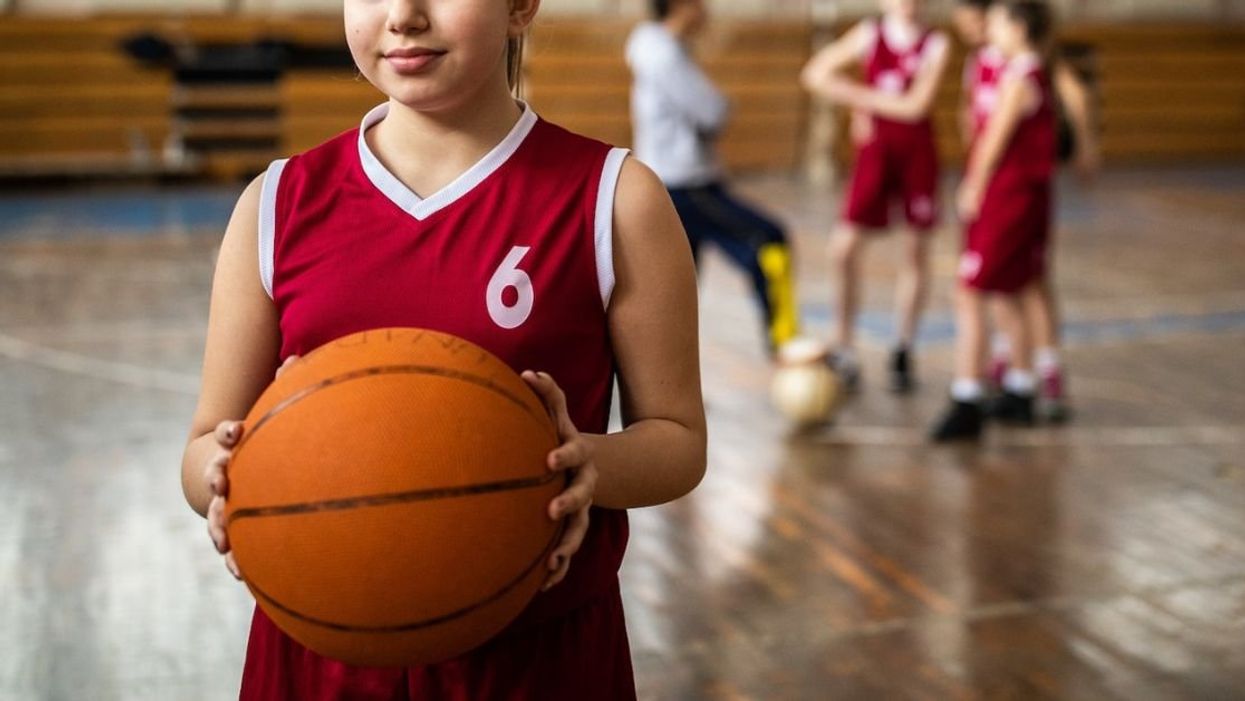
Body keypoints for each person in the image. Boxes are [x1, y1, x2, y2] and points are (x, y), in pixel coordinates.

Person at [180, 0, 707, 698]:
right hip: (320, 651)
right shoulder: (275, 204)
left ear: (520, 7)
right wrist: (226, 476)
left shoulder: (614, 199)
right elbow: (200, 447)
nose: (402, 15)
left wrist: (585, 464)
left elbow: (676, 441)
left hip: (534, 657)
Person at [953, 0, 1100, 422]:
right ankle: (1019, 373)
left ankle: (1030, 373)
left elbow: (998, 136)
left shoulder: (1024, 71)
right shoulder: (986, 62)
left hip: (1013, 193)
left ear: (1012, 25)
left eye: (984, 19)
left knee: (1010, 285)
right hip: (1012, 189)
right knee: (1013, 285)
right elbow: (977, 122)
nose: (972, 26)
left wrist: (1085, 143)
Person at [626, 0, 800, 355]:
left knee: (680, 288)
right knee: (768, 239)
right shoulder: (663, 55)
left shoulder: (660, 47)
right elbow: (713, 111)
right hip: (686, 185)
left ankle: (665, 379)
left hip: (678, 182)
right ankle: (786, 346)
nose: (707, 9)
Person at [800, 0, 950, 393]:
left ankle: (903, 346)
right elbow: (815, 73)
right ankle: (845, 344)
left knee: (916, 252)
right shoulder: (869, 34)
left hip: (917, 155)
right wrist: (862, 99)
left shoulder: (936, 43)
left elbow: (918, 106)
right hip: (876, 155)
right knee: (844, 248)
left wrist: (863, 99)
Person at [931, 0, 1058, 441]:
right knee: (1009, 293)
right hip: (1018, 199)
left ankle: (967, 397)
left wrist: (972, 186)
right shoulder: (1024, 71)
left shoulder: (1019, 78)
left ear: (1019, 28)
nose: (991, 28)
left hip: (1006, 199)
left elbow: (992, 140)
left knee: (969, 294)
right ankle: (1021, 388)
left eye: (999, 21)